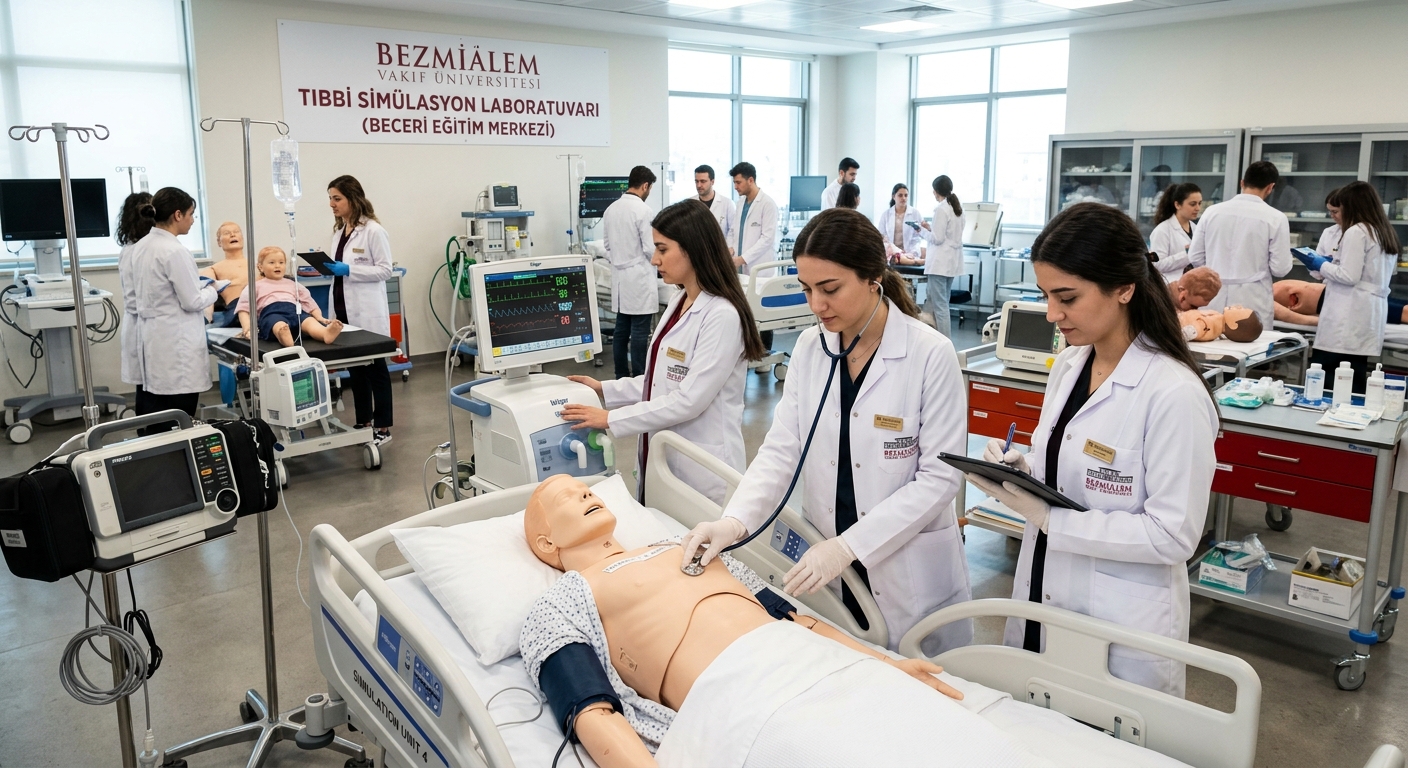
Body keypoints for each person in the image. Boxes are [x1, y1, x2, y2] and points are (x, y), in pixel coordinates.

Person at [517, 476, 1045, 768]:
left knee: (978, 749)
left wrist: (880, 662)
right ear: (545, 542)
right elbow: (591, 710)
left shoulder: (685, 543)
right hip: (745, 696)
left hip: (820, 664)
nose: (586, 492)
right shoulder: (559, 603)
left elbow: (795, 618)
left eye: (586, 487)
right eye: (566, 496)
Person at [681, 207, 973, 656]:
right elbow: (782, 448)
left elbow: (939, 480)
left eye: (830, 289)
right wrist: (734, 521)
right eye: (807, 288)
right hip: (828, 558)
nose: (816, 305)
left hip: (906, 565)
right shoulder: (810, 347)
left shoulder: (930, 355)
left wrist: (849, 546)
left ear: (873, 277)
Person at [968, 202, 1218, 697]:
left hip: (1118, 623)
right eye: (1045, 296)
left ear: (1124, 288)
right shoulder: (1070, 365)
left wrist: (1051, 519)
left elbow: (1173, 535)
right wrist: (1025, 471)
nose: (1051, 314)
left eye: (1067, 297)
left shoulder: (1173, 393)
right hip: (1041, 587)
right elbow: (1069, 467)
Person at [562, 200, 766, 504]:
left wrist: (611, 418)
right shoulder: (679, 300)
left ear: (693, 249)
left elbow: (688, 400)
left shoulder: (722, 315)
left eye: (662, 249)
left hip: (702, 468)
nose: (654, 259)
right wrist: (605, 389)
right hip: (665, 455)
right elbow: (663, 381)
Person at [125, 187, 221, 431]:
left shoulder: (141, 246)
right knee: (176, 417)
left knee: (153, 410)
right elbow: (193, 301)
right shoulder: (175, 251)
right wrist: (214, 289)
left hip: (153, 337)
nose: (192, 220)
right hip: (176, 344)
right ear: (178, 215)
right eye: (191, 214)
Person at [1296, 181, 1400, 390]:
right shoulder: (1383, 231)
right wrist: (1328, 264)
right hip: (1368, 313)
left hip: (1347, 314)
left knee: (1328, 379)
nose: (1338, 213)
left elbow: (1348, 276)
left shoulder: (1357, 232)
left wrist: (1320, 263)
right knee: (1354, 379)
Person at [326, 175, 394, 446]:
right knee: (356, 369)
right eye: (330, 198)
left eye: (337, 198)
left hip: (367, 312)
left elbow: (385, 270)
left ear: (353, 199)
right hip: (343, 309)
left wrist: (349, 270)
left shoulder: (374, 231)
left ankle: (383, 427)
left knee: (376, 369)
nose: (332, 204)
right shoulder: (339, 232)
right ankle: (364, 421)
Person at [1187, 160, 1292, 329]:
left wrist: (1215, 271)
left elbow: (1195, 256)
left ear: (1242, 183)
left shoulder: (1212, 212)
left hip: (1213, 295)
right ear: (1270, 187)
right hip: (1252, 299)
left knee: (1212, 338)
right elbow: (1280, 268)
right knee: (1253, 343)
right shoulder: (1275, 218)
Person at [602, 165, 660, 380]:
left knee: (621, 331)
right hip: (639, 279)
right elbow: (650, 248)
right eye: (650, 188)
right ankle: (639, 378)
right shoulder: (644, 211)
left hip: (620, 280)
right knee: (639, 332)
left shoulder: (611, 209)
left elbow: (607, 246)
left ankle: (621, 376)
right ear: (645, 185)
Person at [235, 246, 343, 346]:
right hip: (271, 313)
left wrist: (319, 317)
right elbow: (243, 308)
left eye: (281, 262)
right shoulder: (255, 286)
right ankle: (284, 337)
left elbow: (308, 302)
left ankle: (325, 333)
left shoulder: (293, 284)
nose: (277, 265)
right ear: (260, 267)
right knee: (278, 324)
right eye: (272, 262)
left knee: (309, 321)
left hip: (294, 311)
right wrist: (247, 328)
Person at [727, 161, 779, 350]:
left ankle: (765, 353)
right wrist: (730, 249)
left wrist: (742, 259)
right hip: (740, 266)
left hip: (759, 267)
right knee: (744, 312)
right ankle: (748, 351)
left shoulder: (767, 204)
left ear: (750, 180)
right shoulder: (741, 203)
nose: (735, 186)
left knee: (762, 314)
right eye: (734, 182)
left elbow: (767, 239)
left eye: (738, 182)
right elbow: (733, 231)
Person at [918, 175, 965, 338]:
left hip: (939, 264)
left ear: (935, 191)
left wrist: (920, 231)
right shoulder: (957, 208)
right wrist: (929, 228)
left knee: (940, 306)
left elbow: (937, 239)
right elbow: (947, 233)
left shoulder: (941, 209)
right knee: (936, 302)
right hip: (951, 263)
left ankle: (945, 342)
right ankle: (929, 338)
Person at [116, 191, 153, 391]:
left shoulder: (135, 249)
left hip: (142, 324)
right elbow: (136, 300)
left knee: (148, 387)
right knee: (148, 388)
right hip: (142, 326)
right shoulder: (136, 251)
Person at [1273, 279, 1408, 326]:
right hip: (1337, 302)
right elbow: (1286, 315)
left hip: (1340, 293)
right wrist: (1322, 321)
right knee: (1403, 312)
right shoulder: (1266, 301)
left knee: (1401, 307)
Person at [1148, 183, 1202, 282]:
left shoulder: (1197, 229)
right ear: (1177, 205)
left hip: (1192, 284)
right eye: (1192, 204)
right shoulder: (1162, 230)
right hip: (1170, 285)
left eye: (1199, 203)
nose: (1197, 208)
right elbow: (1156, 265)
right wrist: (1187, 254)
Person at [199, 221, 250, 324]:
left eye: (236, 231)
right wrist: (207, 318)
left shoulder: (259, 265)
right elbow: (207, 296)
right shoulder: (214, 269)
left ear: (242, 238)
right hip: (237, 307)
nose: (232, 235)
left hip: (264, 305)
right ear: (219, 242)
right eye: (227, 233)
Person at [875, 183, 924, 263]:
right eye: (900, 195)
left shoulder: (915, 213)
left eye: (906, 195)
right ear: (893, 196)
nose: (903, 198)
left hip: (911, 252)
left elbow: (918, 236)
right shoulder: (886, 215)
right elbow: (882, 235)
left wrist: (912, 252)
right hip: (892, 253)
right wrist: (894, 250)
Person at [693, 164, 733, 239]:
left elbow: (732, 231)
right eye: (696, 181)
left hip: (721, 246)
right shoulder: (690, 204)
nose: (699, 185)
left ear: (712, 182)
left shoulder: (727, 204)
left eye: (703, 181)